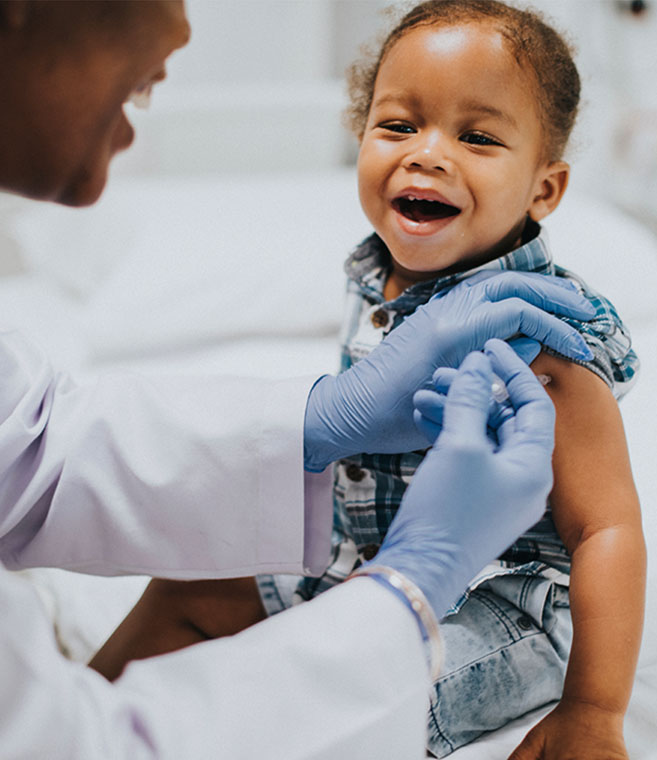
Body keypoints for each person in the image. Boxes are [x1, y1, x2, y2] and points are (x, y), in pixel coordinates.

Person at [0, 1, 608, 757]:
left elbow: (605, 528)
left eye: (477, 136)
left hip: (503, 601)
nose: (428, 154)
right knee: (194, 584)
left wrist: (594, 711)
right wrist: (410, 569)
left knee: (405, 693)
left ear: (546, 191)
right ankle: (103, 680)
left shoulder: (540, 337)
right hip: (377, 558)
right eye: (397, 126)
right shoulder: (374, 279)